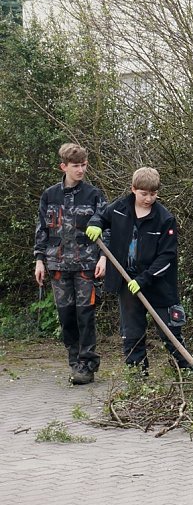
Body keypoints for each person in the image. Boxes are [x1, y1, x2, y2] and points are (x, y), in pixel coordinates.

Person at [85, 167, 191, 373]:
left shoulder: (165, 219)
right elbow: (101, 217)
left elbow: (167, 257)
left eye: (153, 194)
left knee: (170, 333)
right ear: (133, 189)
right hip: (127, 282)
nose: (148, 199)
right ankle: (137, 376)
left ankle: (187, 372)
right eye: (144, 194)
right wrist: (95, 224)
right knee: (132, 333)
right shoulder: (119, 208)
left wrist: (143, 279)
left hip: (158, 284)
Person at [34, 143, 109, 385]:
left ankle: (87, 364)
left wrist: (104, 257)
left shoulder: (94, 195)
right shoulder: (49, 195)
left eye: (84, 165)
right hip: (57, 265)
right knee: (66, 316)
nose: (81, 170)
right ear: (63, 166)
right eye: (76, 166)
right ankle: (75, 362)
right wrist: (39, 260)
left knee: (85, 315)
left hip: (86, 265)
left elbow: (106, 228)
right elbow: (42, 229)